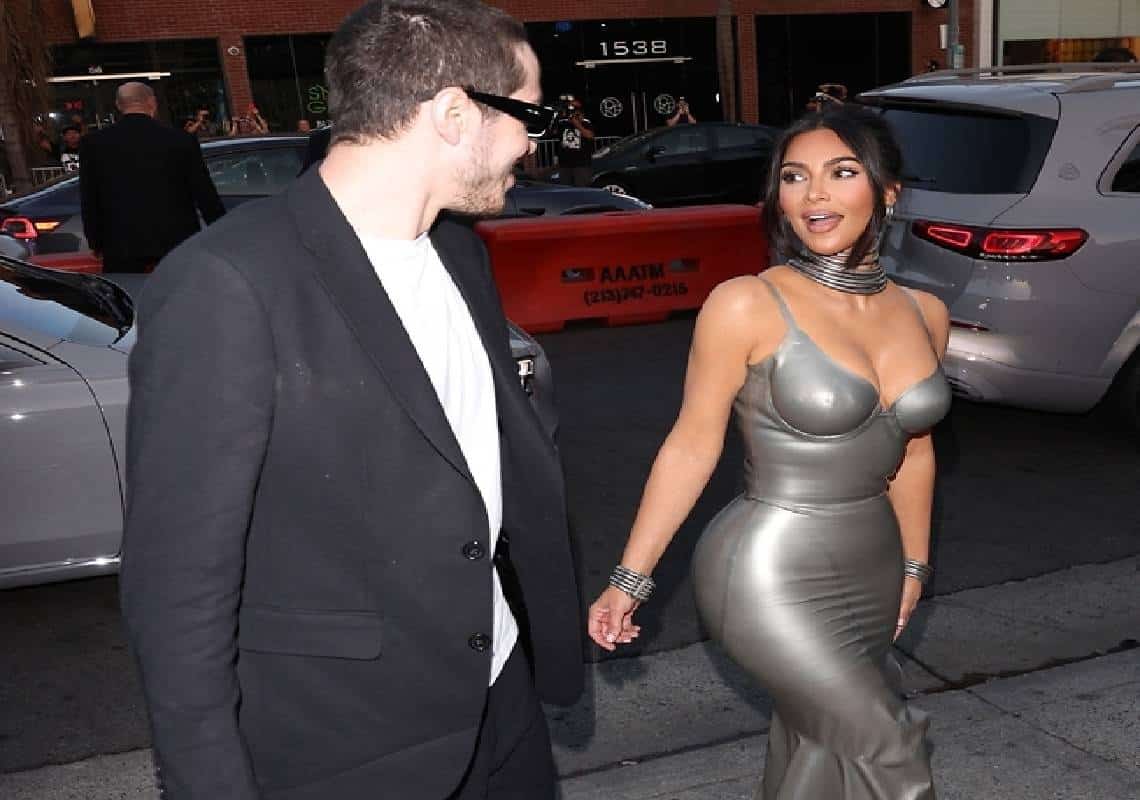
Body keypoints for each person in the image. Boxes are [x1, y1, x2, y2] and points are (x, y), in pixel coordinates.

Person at [120, 2, 582, 799]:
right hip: (347, 745)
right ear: (454, 115)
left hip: (502, 702)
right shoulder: (225, 282)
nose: (532, 143)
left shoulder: (458, 251)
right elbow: (177, 585)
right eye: (529, 116)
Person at [588, 103, 950, 799]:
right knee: (889, 747)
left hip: (874, 563)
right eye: (794, 176)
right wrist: (629, 579)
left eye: (841, 172)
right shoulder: (745, 304)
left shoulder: (924, 313)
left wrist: (914, 562)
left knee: (818, 748)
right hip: (767, 569)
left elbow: (916, 453)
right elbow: (691, 445)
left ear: (888, 191)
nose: (813, 194)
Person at [78, 82, 225, 272]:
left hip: (121, 242)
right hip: (176, 239)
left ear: (119, 105)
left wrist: (95, 240)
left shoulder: (93, 143)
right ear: (152, 102)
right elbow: (203, 191)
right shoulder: (180, 139)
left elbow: (89, 196)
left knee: (127, 289)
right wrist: (220, 231)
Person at [554, 96, 595, 186]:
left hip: (581, 163)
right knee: (565, 188)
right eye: (570, 107)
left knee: (582, 188)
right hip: (564, 163)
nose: (572, 110)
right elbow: (555, 134)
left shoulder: (586, 122)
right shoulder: (562, 122)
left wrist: (577, 124)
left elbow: (589, 136)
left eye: (575, 108)